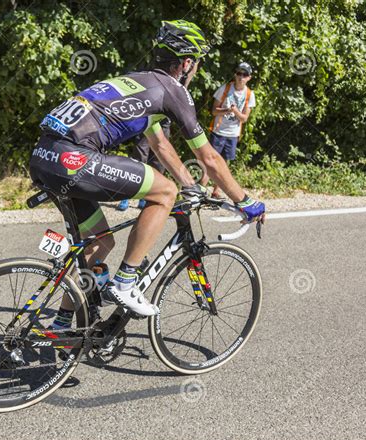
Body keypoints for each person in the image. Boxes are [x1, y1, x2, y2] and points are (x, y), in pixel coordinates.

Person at [29, 20, 265, 322]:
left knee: (100, 241)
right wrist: (245, 202)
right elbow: (209, 157)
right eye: (195, 64)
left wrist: (192, 184)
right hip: (74, 158)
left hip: (44, 156)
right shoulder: (171, 89)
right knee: (165, 192)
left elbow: (160, 145)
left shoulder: (138, 82)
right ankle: (126, 282)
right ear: (186, 62)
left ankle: (61, 327)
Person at [204, 62, 256, 199]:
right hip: (218, 131)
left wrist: (235, 111)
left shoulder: (250, 94)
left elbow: (244, 118)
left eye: (245, 75)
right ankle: (200, 190)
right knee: (209, 162)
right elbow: (214, 111)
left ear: (249, 77)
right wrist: (226, 110)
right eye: (239, 73)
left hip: (233, 135)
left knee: (224, 164)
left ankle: (216, 191)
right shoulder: (225, 89)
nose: (241, 77)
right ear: (235, 74)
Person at [118, 118, 170, 211]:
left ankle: (147, 197)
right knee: (139, 158)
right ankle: (126, 194)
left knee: (158, 161)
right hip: (148, 117)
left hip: (164, 120)